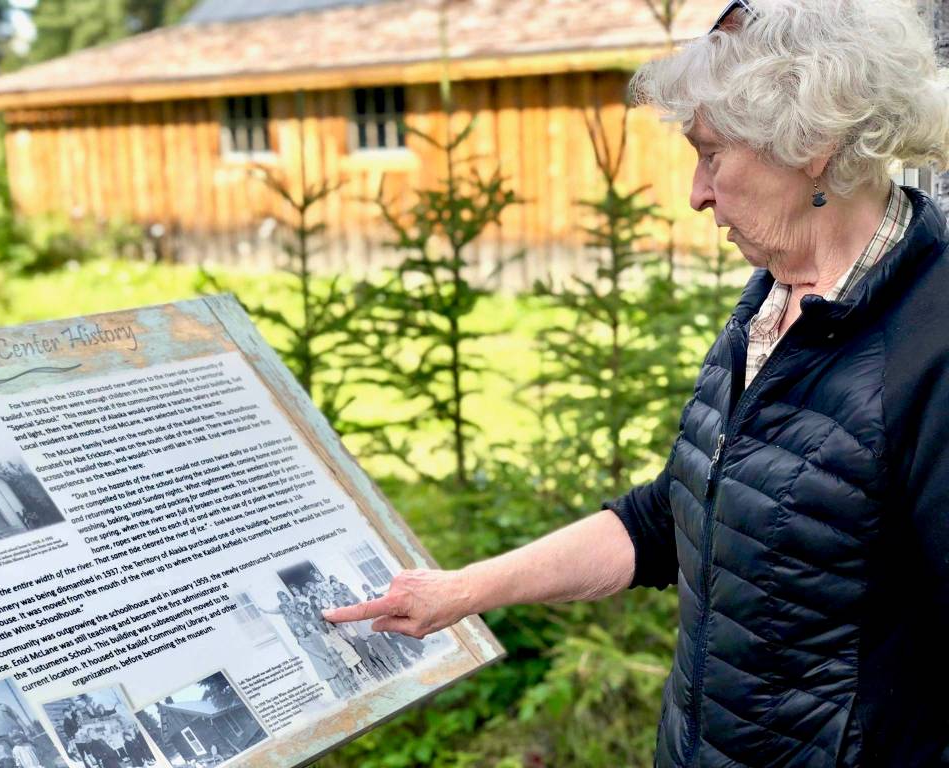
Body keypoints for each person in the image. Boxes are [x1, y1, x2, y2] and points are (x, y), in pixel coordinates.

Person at [325, 0, 949, 764]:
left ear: (812, 143)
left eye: (711, 153)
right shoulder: (774, 303)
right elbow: (672, 519)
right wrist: (457, 592)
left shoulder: (933, 340)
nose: (696, 193)